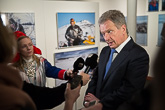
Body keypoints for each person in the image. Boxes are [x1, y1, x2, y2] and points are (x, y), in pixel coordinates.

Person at [83, 10, 149, 110]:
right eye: (103, 33)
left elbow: (129, 91)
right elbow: (96, 77)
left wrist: (101, 103)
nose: (106, 38)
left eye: (109, 32)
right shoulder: (105, 51)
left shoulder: (139, 55)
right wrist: (89, 96)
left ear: (123, 29)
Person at [0, 16, 36, 110]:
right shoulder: (13, 69)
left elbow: (52, 70)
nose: (28, 48)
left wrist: (65, 74)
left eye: (30, 45)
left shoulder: (40, 60)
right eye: (24, 46)